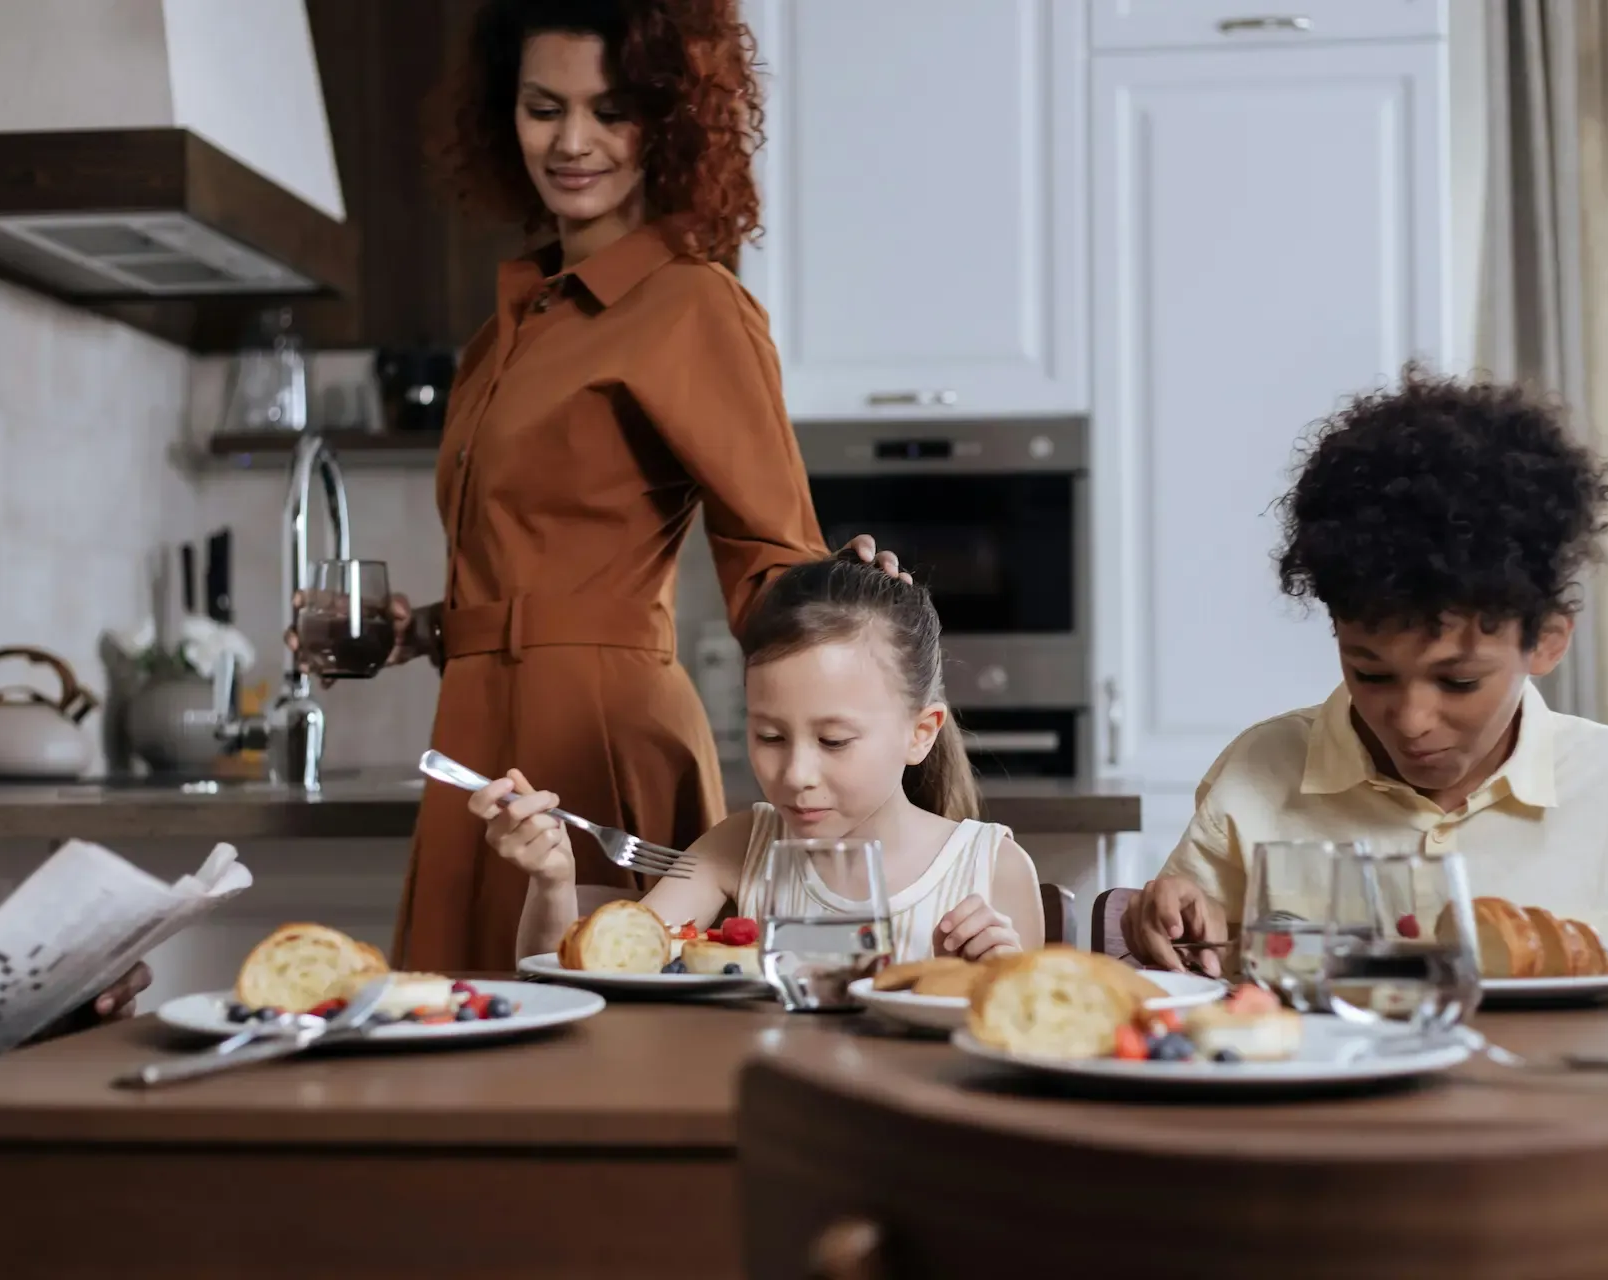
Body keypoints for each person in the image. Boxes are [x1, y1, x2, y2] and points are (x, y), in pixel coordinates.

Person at [294, 0, 906, 971]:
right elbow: (529, 563)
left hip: (603, 732)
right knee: (469, 1028)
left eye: (610, 110)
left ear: (668, 121)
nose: (573, 141)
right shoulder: (506, 329)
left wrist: (844, 606)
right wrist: (420, 629)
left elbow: (772, 554)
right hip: (474, 727)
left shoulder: (692, 304)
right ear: (508, 116)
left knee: (597, 1035)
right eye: (544, 108)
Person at [1121, 371, 1608, 988]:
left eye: (1458, 682)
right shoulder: (1258, 775)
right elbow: (1185, 963)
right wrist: (1166, 921)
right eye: (1369, 672)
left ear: (1548, 640)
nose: (1410, 718)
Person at [471, 556, 1046, 964]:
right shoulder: (740, 848)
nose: (795, 775)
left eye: (834, 741)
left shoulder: (993, 870)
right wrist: (552, 882)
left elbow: (1026, 1056)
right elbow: (593, 973)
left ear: (921, 734)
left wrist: (984, 982)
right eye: (770, 737)